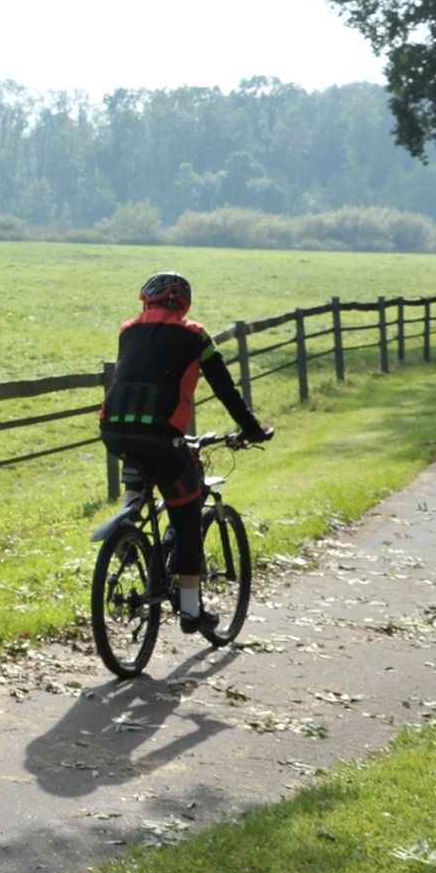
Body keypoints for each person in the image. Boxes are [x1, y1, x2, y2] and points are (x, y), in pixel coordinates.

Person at [101, 271, 273, 633]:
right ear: (183, 305)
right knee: (188, 513)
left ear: (146, 300)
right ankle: (192, 611)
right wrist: (252, 429)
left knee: (139, 460)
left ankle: (128, 519)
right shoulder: (195, 335)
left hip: (113, 430)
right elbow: (225, 389)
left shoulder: (127, 330)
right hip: (162, 435)